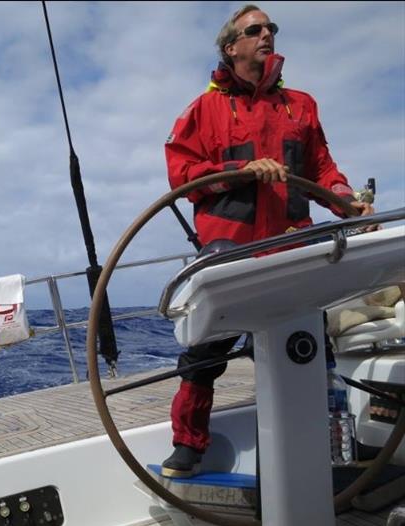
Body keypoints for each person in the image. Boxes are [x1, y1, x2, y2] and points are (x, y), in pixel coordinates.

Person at [160, 4, 375, 478]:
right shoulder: (204, 109)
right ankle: (189, 444)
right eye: (254, 29)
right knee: (202, 357)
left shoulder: (301, 106)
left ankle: (324, 445)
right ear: (230, 46)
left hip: (292, 251)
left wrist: (346, 202)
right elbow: (183, 176)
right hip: (229, 256)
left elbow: (322, 171)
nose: (267, 35)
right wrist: (240, 170)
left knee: (308, 348)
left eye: (270, 28)